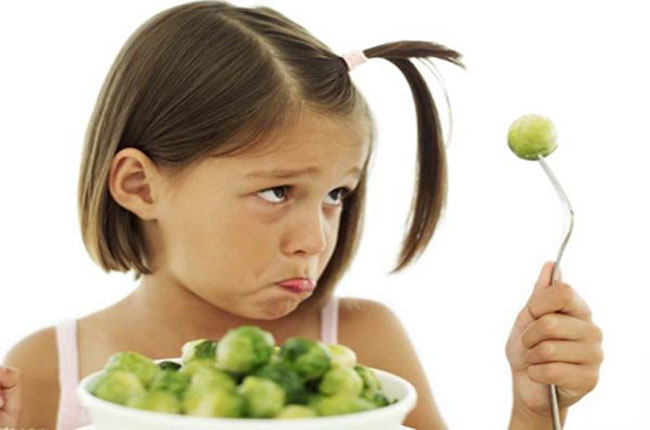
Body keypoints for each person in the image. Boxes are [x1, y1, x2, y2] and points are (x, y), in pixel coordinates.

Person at [0, 1, 603, 429]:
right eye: (277, 192)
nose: (314, 240)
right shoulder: (47, 369)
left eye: (337, 195)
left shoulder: (364, 345)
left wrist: (534, 411)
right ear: (140, 186)